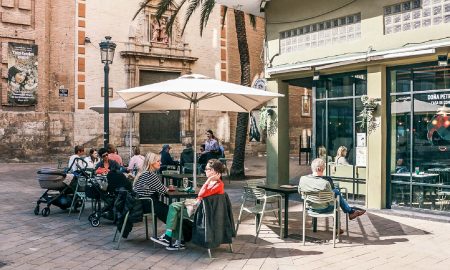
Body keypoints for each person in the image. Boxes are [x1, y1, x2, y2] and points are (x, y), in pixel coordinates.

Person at [151, 159, 225, 251]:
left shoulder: (219, 184)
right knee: (173, 207)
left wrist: (208, 180)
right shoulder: (214, 183)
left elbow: (201, 194)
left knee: (175, 211)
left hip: (202, 210)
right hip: (197, 204)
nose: (205, 170)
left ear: (214, 171)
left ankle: (173, 238)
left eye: (207, 169)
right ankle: (173, 238)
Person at [299, 158, 366, 227]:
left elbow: (300, 192)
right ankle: (342, 222)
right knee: (336, 198)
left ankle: (351, 211)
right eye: (324, 167)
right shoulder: (325, 183)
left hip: (310, 207)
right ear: (319, 169)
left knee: (336, 193)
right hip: (324, 208)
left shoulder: (303, 179)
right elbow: (331, 198)